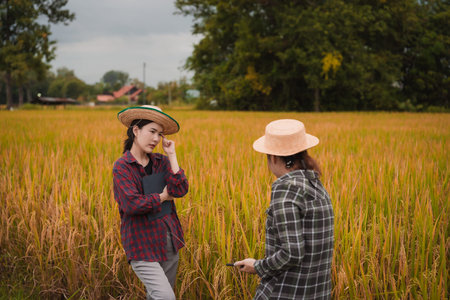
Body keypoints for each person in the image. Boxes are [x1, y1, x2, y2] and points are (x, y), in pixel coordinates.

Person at [235, 119, 334, 300]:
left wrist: (257, 266)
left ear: (272, 157)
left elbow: (293, 252)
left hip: (286, 292)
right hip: (318, 292)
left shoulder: (286, 189)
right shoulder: (316, 184)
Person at [113, 105, 188, 300]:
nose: (156, 139)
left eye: (160, 134)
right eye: (152, 131)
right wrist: (162, 197)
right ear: (136, 130)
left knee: (157, 296)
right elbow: (131, 204)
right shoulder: (123, 167)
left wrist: (172, 155)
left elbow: (180, 190)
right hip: (141, 244)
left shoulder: (162, 162)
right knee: (165, 297)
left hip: (169, 240)